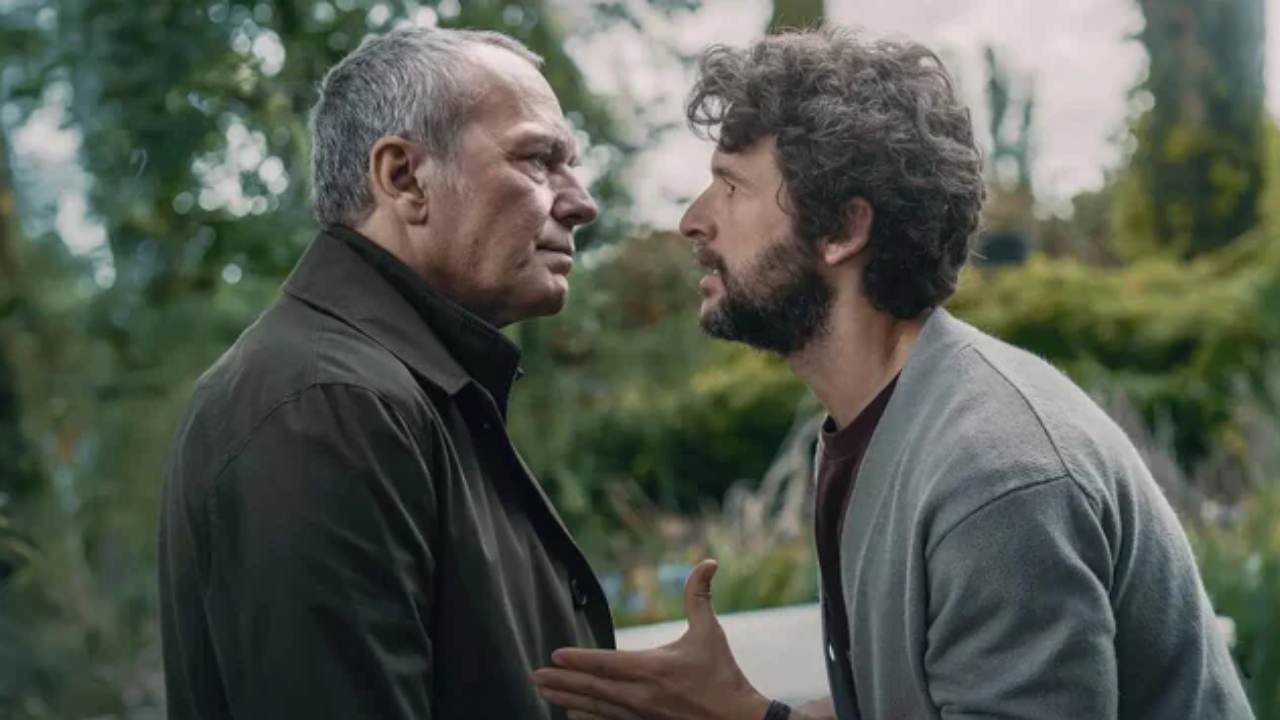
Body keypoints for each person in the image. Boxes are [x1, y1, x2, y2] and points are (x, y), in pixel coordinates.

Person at [532, 26, 1254, 720]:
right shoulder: (885, 427)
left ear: (843, 229)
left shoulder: (994, 476)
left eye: (731, 187)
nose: (693, 220)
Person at [158, 27, 612, 719]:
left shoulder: (403, 389)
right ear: (404, 178)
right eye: (538, 160)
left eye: (569, 164)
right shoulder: (325, 404)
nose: (581, 202)